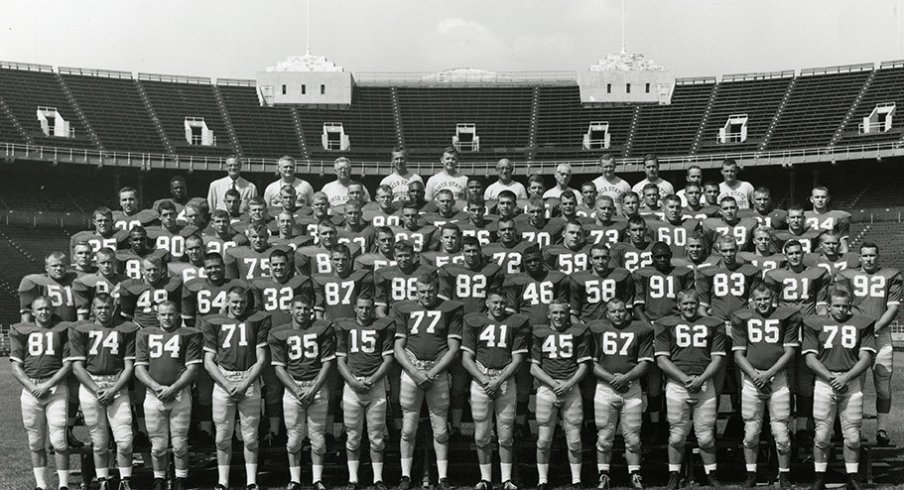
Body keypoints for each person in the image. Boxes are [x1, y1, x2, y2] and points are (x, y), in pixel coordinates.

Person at [392, 271, 463, 490]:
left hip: (437, 371)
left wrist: (432, 373)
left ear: (437, 289)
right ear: (416, 291)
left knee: (440, 428)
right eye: (422, 291)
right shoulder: (404, 308)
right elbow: (398, 348)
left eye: (431, 290)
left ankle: (442, 477)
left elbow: (453, 348)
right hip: (412, 372)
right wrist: (414, 372)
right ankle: (405, 476)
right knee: (408, 428)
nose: (427, 295)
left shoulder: (450, 308)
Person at [802, 288, 875, 490]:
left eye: (845, 306)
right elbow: (809, 358)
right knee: (822, 435)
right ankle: (819, 478)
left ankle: (852, 477)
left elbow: (866, 357)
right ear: (829, 306)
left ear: (850, 305)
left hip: (850, 381)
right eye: (837, 306)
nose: (841, 310)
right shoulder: (815, 324)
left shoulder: (863, 324)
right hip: (825, 382)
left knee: (852, 435)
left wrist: (846, 377)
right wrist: (830, 377)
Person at [654, 289, 726, 489]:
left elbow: (718, 358)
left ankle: (711, 474)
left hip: (704, 384)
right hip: (678, 386)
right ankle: (674, 474)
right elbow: (661, 360)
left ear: (698, 303)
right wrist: (686, 379)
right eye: (685, 303)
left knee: (705, 436)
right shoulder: (666, 324)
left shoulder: (713, 323)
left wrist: (701, 378)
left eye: (692, 303)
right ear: (678, 305)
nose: (689, 307)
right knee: (677, 435)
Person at [201, 287, 270, 490]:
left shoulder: (256, 321)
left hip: (248, 380)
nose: (238, 306)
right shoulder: (215, 323)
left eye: (241, 302)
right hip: (225, 381)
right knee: (222, 436)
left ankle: (251, 481)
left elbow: (262, 359)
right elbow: (208, 361)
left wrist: (245, 382)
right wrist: (228, 383)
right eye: (234, 302)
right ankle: (223, 481)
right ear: (227, 303)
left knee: (250, 436)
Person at [731, 285, 799, 488]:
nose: (763, 303)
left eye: (766, 299)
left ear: (773, 299)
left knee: (781, 433)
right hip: (752, 380)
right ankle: (751, 474)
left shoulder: (786, 317)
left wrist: (769, 374)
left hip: (777, 379)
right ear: (752, 300)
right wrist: (755, 375)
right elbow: (738, 355)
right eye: (759, 299)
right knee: (751, 432)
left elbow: (789, 352)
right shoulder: (742, 318)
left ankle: (784, 475)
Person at [69, 294, 139, 490]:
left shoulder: (126, 329)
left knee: (124, 441)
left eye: (107, 307)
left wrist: (113, 390)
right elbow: (77, 367)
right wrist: (98, 389)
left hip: (117, 386)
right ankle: (103, 481)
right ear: (93, 309)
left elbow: (129, 366)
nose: (103, 311)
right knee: (99, 441)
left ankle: (125, 480)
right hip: (92, 387)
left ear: (113, 307)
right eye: (99, 308)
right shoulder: (81, 329)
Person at [461, 292, 530, 490]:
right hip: (481, 379)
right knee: (482, 435)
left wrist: (498, 380)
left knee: (506, 435)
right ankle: (485, 478)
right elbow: (466, 358)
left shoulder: (515, 323)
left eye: (502, 303)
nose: (499, 306)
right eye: (495, 303)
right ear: (487, 303)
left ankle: (507, 479)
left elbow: (517, 360)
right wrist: (485, 380)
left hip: (505, 380)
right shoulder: (474, 322)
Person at [836, 242, 902, 446]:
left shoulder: (890, 276)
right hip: (855, 337)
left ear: (878, 256)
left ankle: (881, 429)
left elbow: (892, 309)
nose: (869, 259)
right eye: (865, 256)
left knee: (882, 387)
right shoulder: (847, 276)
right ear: (860, 258)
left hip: (880, 336)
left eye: (872, 255)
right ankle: (852, 429)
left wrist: (875, 327)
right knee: (855, 386)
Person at [134, 301, 203, 490]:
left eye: (171, 314)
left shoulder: (189, 334)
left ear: (178, 315)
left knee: (180, 444)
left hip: (179, 394)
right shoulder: (145, 334)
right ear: (157, 316)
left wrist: (172, 388)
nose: (167, 318)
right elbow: (139, 368)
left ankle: (181, 479)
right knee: (157, 446)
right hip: (153, 395)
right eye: (163, 314)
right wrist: (156, 387)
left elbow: (193, 368)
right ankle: (159, 479)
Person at [269, 295, 335, 490]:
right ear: (290, 309)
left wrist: (313, 389)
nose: (302, 312)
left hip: (317, 387)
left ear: (311, 310)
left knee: (317, 437)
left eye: (305, 309)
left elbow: (327, 363)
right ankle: (295, 479)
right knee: (294, 438)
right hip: (293, 388)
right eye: (298, 308)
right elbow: (279, 368)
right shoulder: (280, 332)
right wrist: (298, 390)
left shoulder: (321, 328)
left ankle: (317, 479)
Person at [587, 298, 654, 490]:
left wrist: (626, 378)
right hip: (605, 388)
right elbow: (592, 363)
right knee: (604, 436)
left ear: (628, 312)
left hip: (631, 388)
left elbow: (645, 363)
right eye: (614, 311)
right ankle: (604, 475)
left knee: (633, 437)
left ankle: (635, 474)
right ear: (607, 314)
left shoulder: (641, 329)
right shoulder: (597, 330)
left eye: (621, 311)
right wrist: (613, 379)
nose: (618, 314)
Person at [10, 296, 73, 490]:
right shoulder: (21, 330)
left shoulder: (62, 329)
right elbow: (15, 365)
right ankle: (42, 485)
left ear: (51, 309)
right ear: (33, 311)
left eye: (47, 308)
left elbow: (68, 364)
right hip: (31, 391)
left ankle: (63, 485)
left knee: (59, 441)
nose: (44, 312)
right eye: (40, 309)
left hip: (55, 388)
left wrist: (48, 385)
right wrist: (32, 386)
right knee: (35, 442)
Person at [335, 297, 395, 490]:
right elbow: (340, 361)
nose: (364, 311)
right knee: (353, 436)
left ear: (373, 309)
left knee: (376, 436)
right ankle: (353, 479)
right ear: (354, 308)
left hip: (375, 386)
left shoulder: (382, 328)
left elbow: (388, 360)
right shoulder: (346, 328)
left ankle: (378, 479)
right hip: (352, 386)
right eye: (360, 307)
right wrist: (353, 381)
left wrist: (373, 379)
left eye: (368, 307)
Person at [531, 301, 592, 489]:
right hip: (547, 389)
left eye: (562, 313)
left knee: (574, 439)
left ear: (568, 314)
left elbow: (584, 365)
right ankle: (542, 480)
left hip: (571, 388)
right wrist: (553, 383)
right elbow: (534, 367)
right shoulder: (539, 333)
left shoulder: (578, 333)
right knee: (543, 440)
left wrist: (568, 383)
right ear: (548, 315)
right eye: (555, 313)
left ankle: (576, 480)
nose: (558, 316)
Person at [567, 244, 635, 323]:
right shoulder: (579, 279)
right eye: (596, 258)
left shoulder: (621, 276)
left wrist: (619, 327)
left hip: (614, 326)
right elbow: (573, 314)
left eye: (604, 257)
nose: (600, 261)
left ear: (609, 259)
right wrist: (584, 331)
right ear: (590, 260)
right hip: (588, 325)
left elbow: (628, 310)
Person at [118, 257, 183, 329]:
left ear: (162, 270)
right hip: (141, 328)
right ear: (142, 271)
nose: (152, 272)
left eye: (155, 269)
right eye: (148, 270)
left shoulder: (173, 284)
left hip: (165, 328)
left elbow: (178, 312)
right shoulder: (131, 286)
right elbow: (127, 316)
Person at [74, 247, 127, 320]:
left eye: (109, 262)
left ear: (115, 262)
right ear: (96, 264)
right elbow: (82, 310)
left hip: (119, 322)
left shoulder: (126, 281)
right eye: (103, 263)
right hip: (95, 323)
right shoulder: (86, 282)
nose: (106, 266)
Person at [804, 186, 851, 253]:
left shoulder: (839, 216)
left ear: (828, 199)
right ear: (811, 199)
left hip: (830, 257)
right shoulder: (802, 216)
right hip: (808, 256)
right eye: (817, 197)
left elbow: (843, 246)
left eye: (823, 197)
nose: (820, 200)